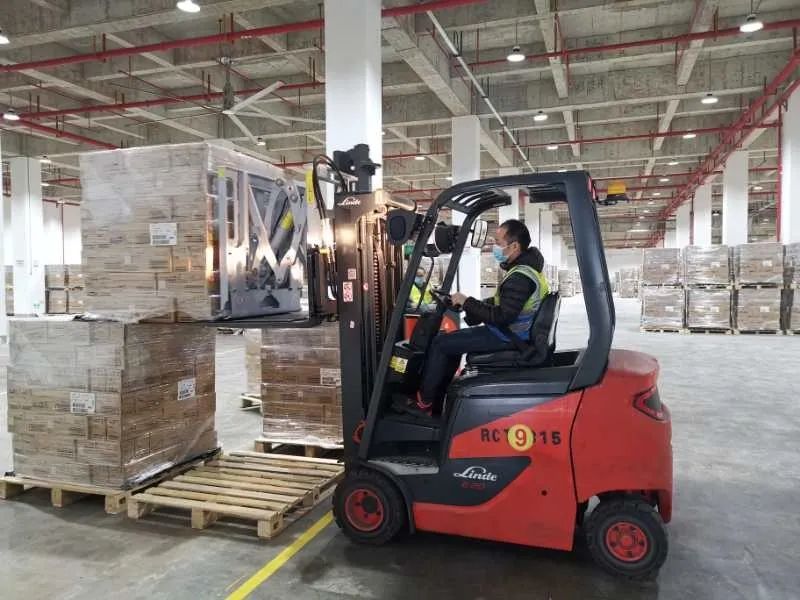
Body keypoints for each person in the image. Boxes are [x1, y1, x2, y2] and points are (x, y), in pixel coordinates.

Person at [416, 219, 549, 414]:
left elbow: (502, 316)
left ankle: (425, 403)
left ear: (514, 246)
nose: (494, 246)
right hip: (512, 333)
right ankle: (440, 395)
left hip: (508, 336)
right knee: (451, 343)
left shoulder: (520, 277)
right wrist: (469, 306)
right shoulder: (525, 270)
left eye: (498, 242)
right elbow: (501, 303)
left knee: (439, 343)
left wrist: (467, 302)